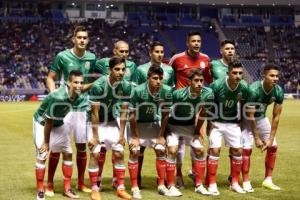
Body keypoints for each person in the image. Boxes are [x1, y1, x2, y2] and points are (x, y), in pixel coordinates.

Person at [45, 25, 96, 195]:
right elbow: (50, 78)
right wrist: (54, 95)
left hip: (82, 108)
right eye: (79, 37)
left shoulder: (92, 57)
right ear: (73, 39)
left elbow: (86, 83)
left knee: (81, 146)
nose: (82, 40)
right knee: (57, 146)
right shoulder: (62, 56)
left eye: (85, 37)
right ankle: (50, 184)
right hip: (65, 108)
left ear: (88, 40)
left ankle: (81, 183)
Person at [34, 70, 88, 200]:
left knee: (68, 153)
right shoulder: (57, 96)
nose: (79, 85)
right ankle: (41, 189)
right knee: (42, 154)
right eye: (76, 82)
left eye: (81, 83)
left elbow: (86, 88)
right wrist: (46, 142)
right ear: (69, 83)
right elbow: (48, 121)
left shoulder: (78, 95)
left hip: (58, 122)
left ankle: (67, 189)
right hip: (42, 123)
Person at [169, 31, 212, 188]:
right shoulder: (177, 59)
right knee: (178, 145)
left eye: (199, 41)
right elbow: (168, 76)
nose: (196, 43)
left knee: (198, 141)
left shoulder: (206, 59)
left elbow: (208, 79)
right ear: (187, 42)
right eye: (193, 41)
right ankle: (178, 175)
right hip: (180, 107)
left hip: (197, 107)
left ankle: (195, 173)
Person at [87, 56, 133, 200]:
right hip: (95, 121)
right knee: (95, 152)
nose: (120, 72)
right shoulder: (98, 85)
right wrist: (95, 136)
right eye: (117, 69)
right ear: (109, 70)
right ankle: (94, 188)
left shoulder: (125, 86)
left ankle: (120, 188)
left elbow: (124, 111)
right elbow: (94, 113)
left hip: (112, 119)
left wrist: (121, 134)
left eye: (123, 70)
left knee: (119, 152)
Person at [132, 41, 175, 188]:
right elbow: (136, 92)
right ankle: (136, 178)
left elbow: (170, 92)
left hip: (160, 118)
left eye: (162, 52)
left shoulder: (169, 70)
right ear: (150, 53)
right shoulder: (140, 70)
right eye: (157, 51)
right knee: (140, 148)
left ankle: (162, 180)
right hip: (143, 117)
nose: (160, 54)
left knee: (163, 147)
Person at [127, 66, 173, 199]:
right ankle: (135, 187)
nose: (158, 81)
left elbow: (165, 115)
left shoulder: (167, 91)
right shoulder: (138, 91)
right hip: (138, 125)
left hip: (153, 123)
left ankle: (161, 185)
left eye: (160, 78)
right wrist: (135, 137)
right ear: (148, 78)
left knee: (160, 149)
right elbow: (132, 116)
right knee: (135, 150)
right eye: (155, 78)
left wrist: (160, 136)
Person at [166, 69, 214, 196]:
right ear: (189, 82)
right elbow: (166, 113)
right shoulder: (177, 94)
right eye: (196, 81)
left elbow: (203, 114)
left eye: (201, 81)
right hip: (173, 126)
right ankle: (171, 185)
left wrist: (197, 132)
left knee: (200, 150)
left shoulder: (207, 94)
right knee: (172, 150)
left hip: (189, 126)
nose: (199, 83)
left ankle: (199, 185)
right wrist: (164, 131)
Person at [206, 60, 248, 195]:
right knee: (214, 150)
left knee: (237, 150)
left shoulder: (244, 87)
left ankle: (235, 183)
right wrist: (209, 123)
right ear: (228, 73)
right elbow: (208, 105)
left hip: (232, 122)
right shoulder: (216, 86)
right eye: (234, 73)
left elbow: (242, 104)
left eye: (240, 73)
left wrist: (240, 120)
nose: (238, 76)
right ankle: (212, 183)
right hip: (216, 122)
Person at [242, 63, 284, 192]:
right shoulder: (254, 89)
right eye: (272, 75)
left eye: (277, 76)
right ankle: (245, 181)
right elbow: (251, 116)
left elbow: (276, 116)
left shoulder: (278, 91)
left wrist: (270, 139)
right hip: (246, 118)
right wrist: (257, 138)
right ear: (264, 75)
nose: (275, 78)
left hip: (261, 118)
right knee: (246, 149)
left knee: (273, 146)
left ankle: (268, 180)